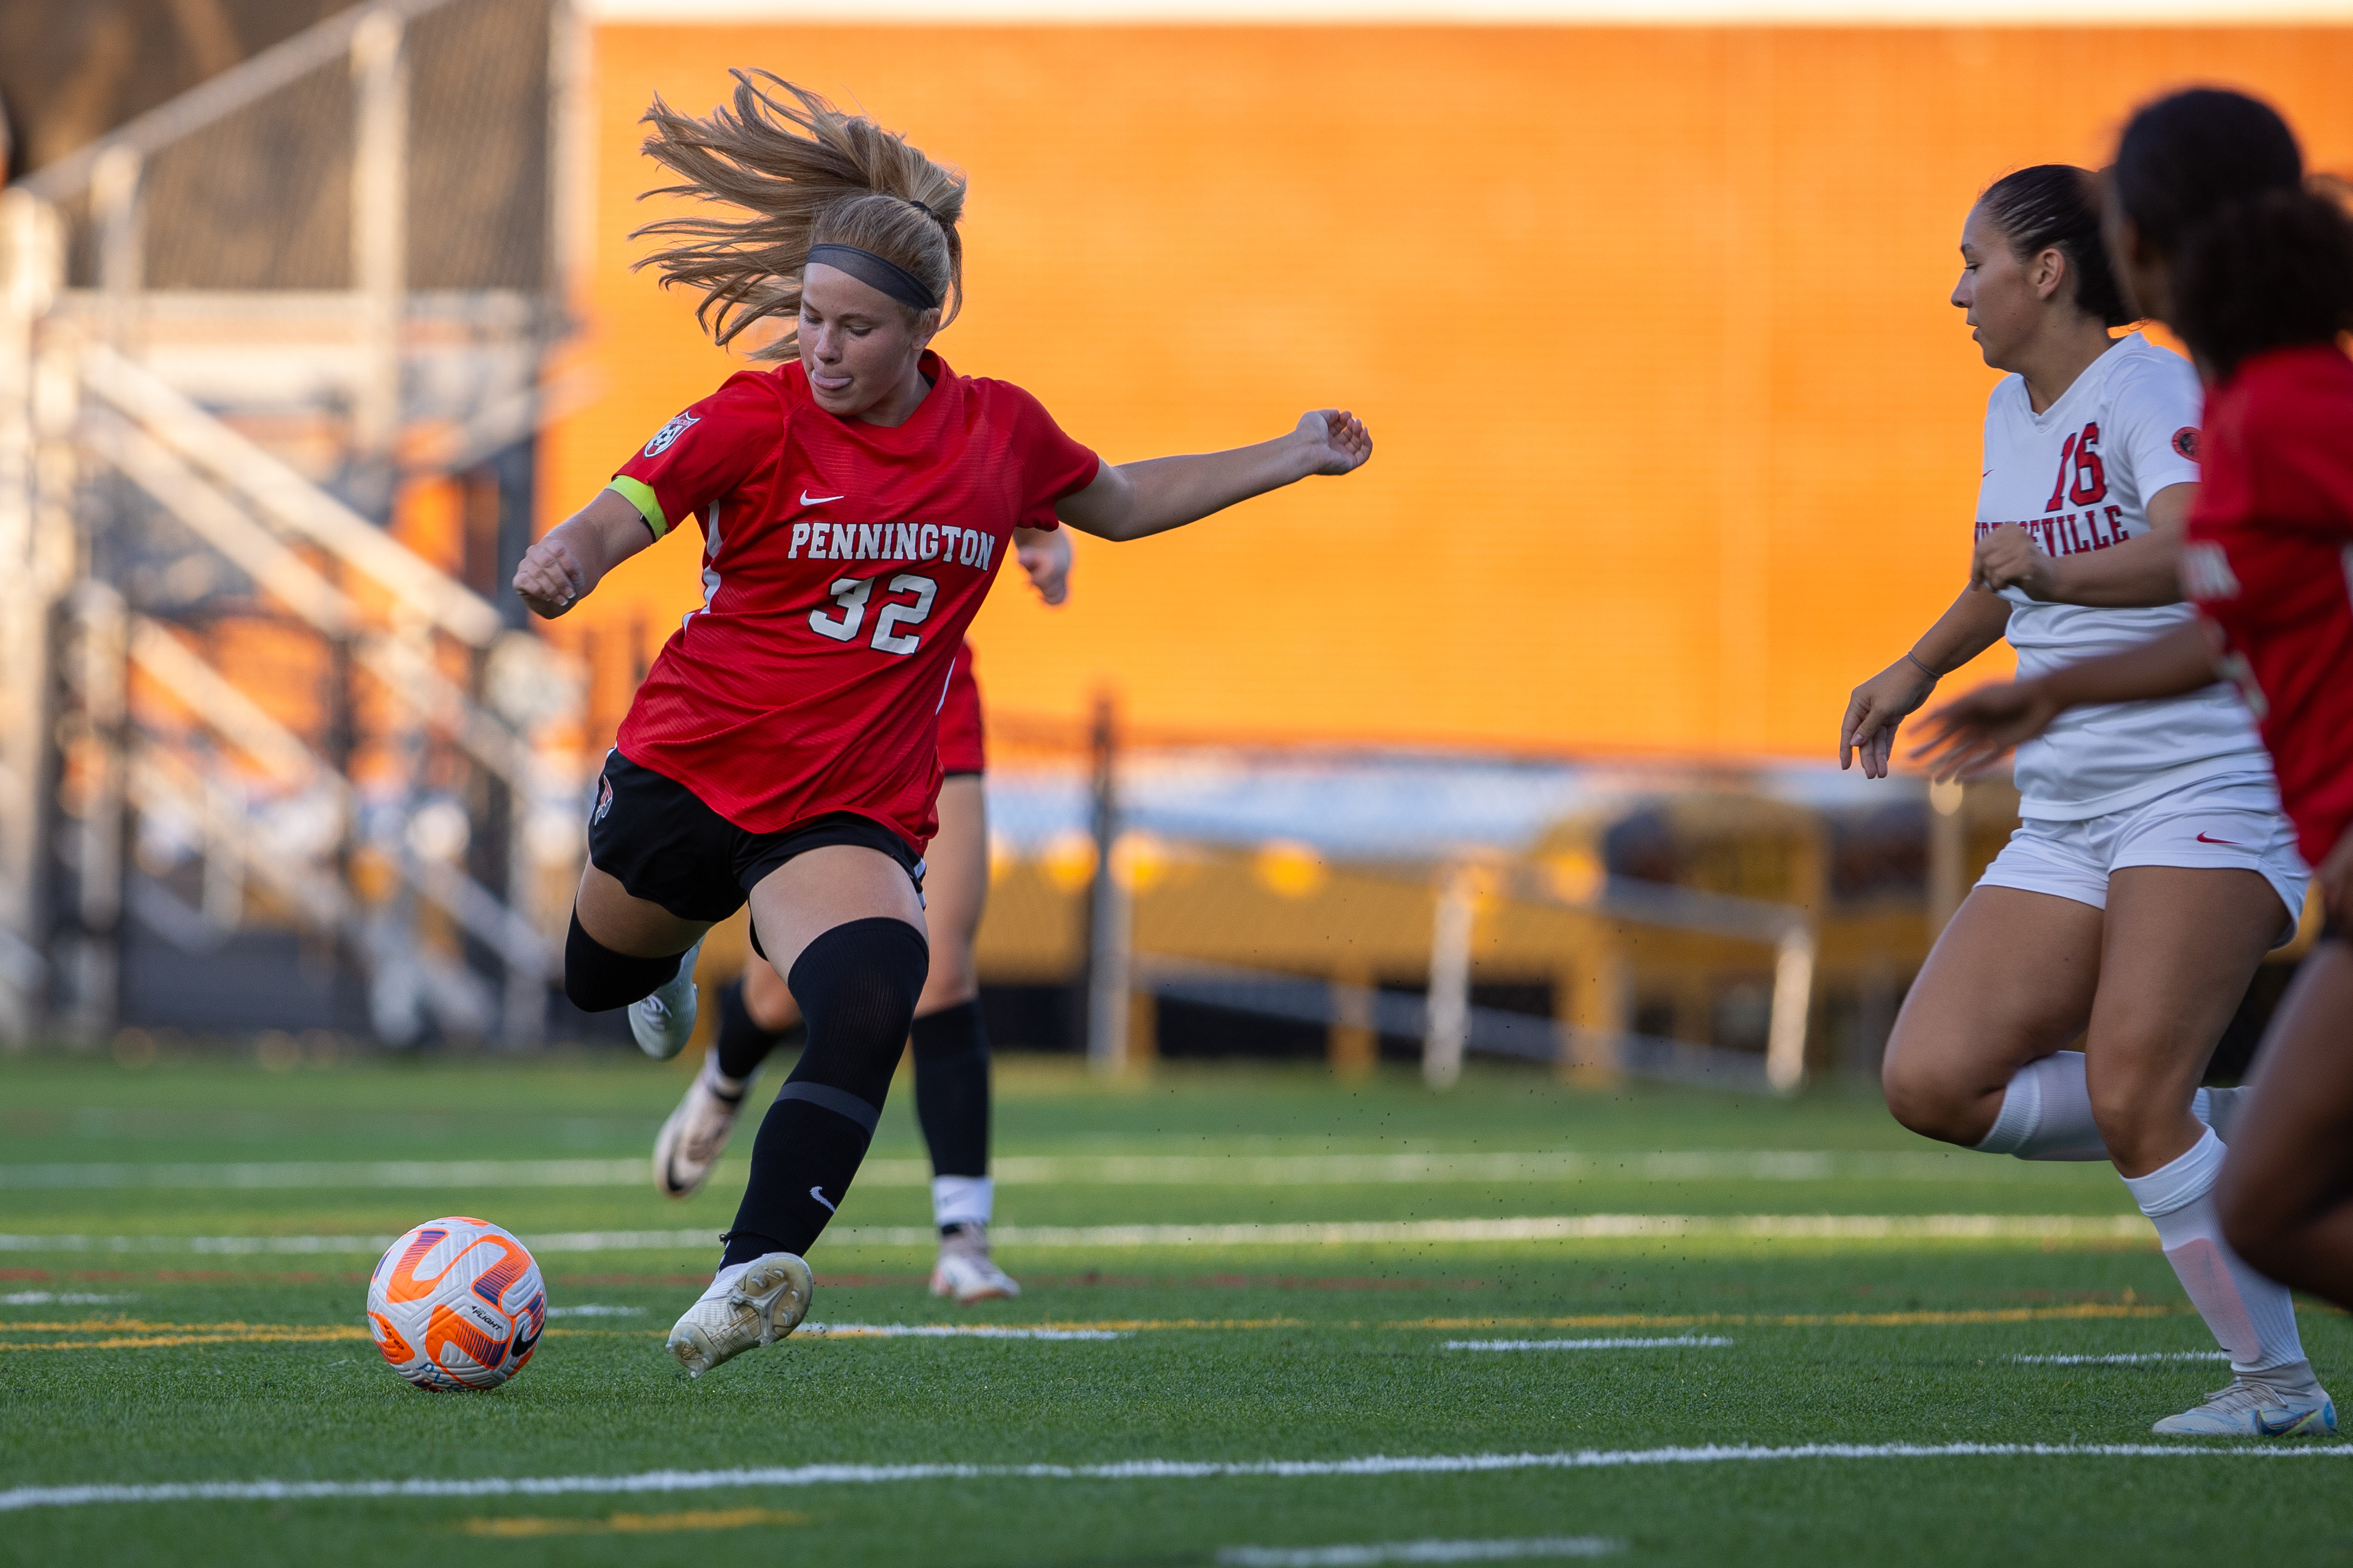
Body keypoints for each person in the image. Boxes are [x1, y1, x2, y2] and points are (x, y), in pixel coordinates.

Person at [513, 71, 1372, 1377]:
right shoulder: (756, 413)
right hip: (690, 765)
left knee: (875, 988)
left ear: (928, 328)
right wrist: (568, 558)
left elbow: (1127, 501)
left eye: (855, 327)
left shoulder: (997, 432)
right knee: (598, 978)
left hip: (843, 806)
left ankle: (744, 1268)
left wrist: (1289, 452)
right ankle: (670, 952)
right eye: (809, 317)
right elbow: (631, 497)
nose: (823, 347)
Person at [1837, 159, 2327, 1437]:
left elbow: (2199, 540)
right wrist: (1914, 663)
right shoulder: (2013, 408)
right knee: (1932, 1078)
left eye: (1972, 261)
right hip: (2070, 805)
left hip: (2204, 780)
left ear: (2046, 270)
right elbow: (2011, 573)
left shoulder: (2151, 382)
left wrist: (2048, 570)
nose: (1956, 292)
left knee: (2130, 1087)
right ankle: (2227, 1125)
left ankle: (2275, 1385)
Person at [647, 547, 1065, 1308]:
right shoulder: (796, 426)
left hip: (927, 678)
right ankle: (724, 1076)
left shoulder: (975, 425)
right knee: (781, 995)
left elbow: (1035, 471)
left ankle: (962, 1239)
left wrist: (1047, 533)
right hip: (812, 691)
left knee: (940, 968)